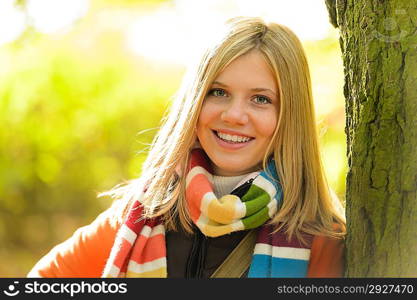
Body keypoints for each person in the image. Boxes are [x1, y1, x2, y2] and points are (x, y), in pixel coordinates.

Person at [28, 16, 346, 278]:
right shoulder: (143, 214)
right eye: (218, 92)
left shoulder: (319, 235)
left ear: (290, 115)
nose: (234, 115)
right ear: (194, 101)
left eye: (261, 99)